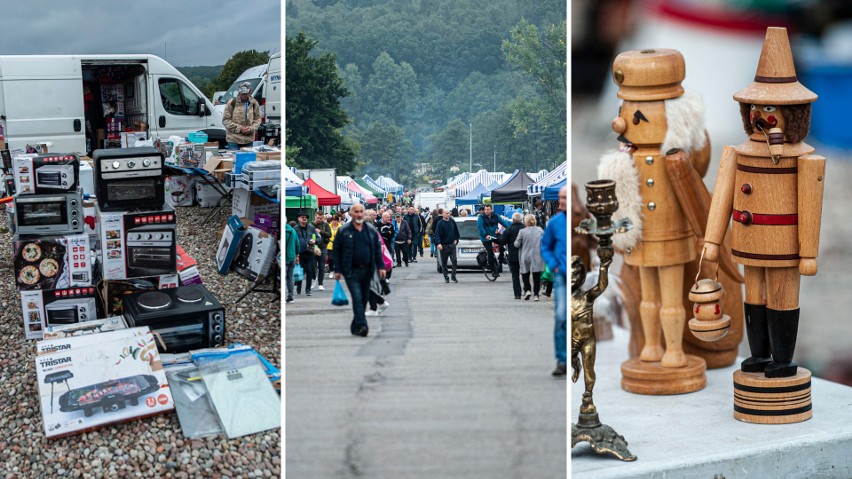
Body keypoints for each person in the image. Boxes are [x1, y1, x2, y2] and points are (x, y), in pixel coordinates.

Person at [332, 204, 386, 337]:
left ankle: (355, 324)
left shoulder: (370, 230)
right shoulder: (344, 230)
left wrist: (381, 266)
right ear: (351, 214)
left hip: (368, 270)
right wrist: (337, 270)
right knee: (356, 297)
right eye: (356, 212)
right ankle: (362, 326)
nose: (359, 214)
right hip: (351, 271)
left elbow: (377, 249)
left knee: (363, 299)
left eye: (361, 211)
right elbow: (336, 250)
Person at [541, 186, 568, 376]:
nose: (561, 201)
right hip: (562, 274)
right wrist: (554, 265)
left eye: (565, 197)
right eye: (560, 198)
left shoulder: (582, 219)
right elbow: (545, 246)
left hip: (581, 273)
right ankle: (562, 359)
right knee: (560, 316)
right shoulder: (555, 223)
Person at [222, 81, 262, 150]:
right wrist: (240, 128)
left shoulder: (254, 103)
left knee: (249, 160)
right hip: (233, 139)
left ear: (250, 92)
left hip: (248, 139)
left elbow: (258, 119)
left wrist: (251, 128)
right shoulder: (232, 102)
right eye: (242, 94)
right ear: (239, 92)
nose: (244, 95)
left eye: (246, 94)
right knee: (234, 159)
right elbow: (226, 120)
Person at [515, 214, 545, 301]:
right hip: (537, 255)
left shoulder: (522, 231)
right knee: (536, 275)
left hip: (525, 255)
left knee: (525, 273)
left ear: (526, 221)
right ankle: (536, 294)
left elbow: (516, 244)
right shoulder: (540, 230)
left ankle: (527, 290)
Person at [476, 205, 512, 276]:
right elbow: (480, 228)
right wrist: (485, 235)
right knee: (490, 253)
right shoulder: (481, 217)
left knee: (502, 243)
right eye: (485, 209)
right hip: (486, 237)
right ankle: (493, 270)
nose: (486, 211)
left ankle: (501, 258)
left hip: (494, 235)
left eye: (488, 209)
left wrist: (510, 229)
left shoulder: (495, 215)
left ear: (491, 210)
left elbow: (503, 222)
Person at [367, 233, 393, 316]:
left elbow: (378, 250)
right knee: (369, 287)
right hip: (372, 264)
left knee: (368, 287)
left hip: (371, 264)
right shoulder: (374, 233)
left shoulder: (371, 234)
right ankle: (377, 304)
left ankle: (376, 305)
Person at [294, 211, 319, 296]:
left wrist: (315, 241)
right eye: (302, 217)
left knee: (309, 271)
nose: (304, 219)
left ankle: (308, 289)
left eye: (306, 217)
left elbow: (319, 238)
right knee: (300, 271)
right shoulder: (295, 229)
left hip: (310, 252)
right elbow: (292, 241)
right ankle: (299, 286)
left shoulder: (311, 228)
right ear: (298, 218)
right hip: (299, 253)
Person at [501, 212, 525, 299]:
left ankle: (517, 294)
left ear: (513, 220)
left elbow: (503, 242)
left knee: (515, 275)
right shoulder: (525, 228)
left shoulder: (509, 229)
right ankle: (527, 289)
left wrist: (497, 236)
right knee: (525, 274)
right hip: (524, 255)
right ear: (521, 220)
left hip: (513, 256)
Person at [434, 209, 460, 283]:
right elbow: (437, 234)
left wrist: (456, 239)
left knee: (454, 260)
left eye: (449, 213)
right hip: (444, 245)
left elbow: (456, 231)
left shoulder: (452, 221)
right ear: (443, 214)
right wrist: (438, 243)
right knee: (444, 263)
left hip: (452, 244)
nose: (448, 214)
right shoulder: (440, 223)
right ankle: (446, 276)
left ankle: (453, 276)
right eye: (446, 213)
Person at [313, 211, 332, 291]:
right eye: (318, 218)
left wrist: (321, 232)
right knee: (312, 266)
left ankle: (320, 284)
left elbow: (329, 234)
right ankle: (314, 279)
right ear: (315, 217)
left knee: (321, 266)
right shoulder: (311, 225)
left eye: (321, 218)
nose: (319, 219)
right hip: (313, 247)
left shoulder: (326, 225)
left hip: (323, 247)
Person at [285, 221, 299, 303]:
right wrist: (297, 255)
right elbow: (297, 244)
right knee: (290, 278)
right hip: (292, 257)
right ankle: (290, 296)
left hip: (285, 257)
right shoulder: (293, 231)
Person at [327, 214, 341, 280]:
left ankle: (336, 271)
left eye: (336, 220)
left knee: (337, 259)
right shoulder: (329, 226)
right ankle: (331, 270)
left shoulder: (340, 227)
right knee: (330, 258)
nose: (334, 222)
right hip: (330, 244)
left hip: (338, 245)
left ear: (338, 221)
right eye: (333, 220)